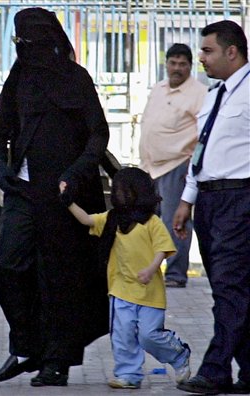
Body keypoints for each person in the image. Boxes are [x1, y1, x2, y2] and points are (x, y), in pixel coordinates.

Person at [0, 7, 110, 387]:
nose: (20, 49)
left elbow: (98, 134)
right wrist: (0, 164)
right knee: (8, 265)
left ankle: (56, 360)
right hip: (23, 191)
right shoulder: (19, 78)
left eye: (24, 42)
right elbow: (0, 130)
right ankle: (26, 347)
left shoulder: (77, 80)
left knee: (60, 278)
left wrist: (75, 174)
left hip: (64, 197)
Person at [174, 20, 250, 395]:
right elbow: (200, 150)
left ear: (231, 51)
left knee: (229, 288)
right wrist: (187, 199)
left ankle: (216, 370)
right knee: (231, 287)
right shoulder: (215, 95)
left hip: (240, 199)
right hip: (208, 200)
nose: (200, 58)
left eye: (207, 51)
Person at [66, 167, 191, 389]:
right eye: (117, 190)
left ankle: (178, 355)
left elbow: (163, 248)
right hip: (120, 291)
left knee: (148, 336)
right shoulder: (112, 219)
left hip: (149, 294)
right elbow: (87, 220)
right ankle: (128, 374)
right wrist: (68, 202)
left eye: (125, 191)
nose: (120, 195)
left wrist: (151, 270)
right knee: (122, 336)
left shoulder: (151, 222)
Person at [139, 43, 207, 288]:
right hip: (149, 167)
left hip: (177, 165)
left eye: (182, 64)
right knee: (147, 221)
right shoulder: (159, 88)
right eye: (173, 63)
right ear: (165, 64)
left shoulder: (199, 93)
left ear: (190, 66)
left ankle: (176, 275)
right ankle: (148, 271)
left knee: (174, 221)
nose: (177, 68)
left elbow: (204, 133)